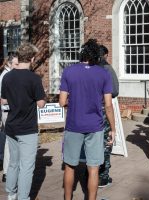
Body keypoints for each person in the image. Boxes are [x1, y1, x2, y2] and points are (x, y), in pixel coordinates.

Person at [59, 39, 116, 200]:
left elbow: (62, 101)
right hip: (95, 126)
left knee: (70, 166)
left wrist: (75, 100)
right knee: (93, 168)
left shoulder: (68, 72)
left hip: (73, 125)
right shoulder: (104, 73)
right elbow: (108, 105)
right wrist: (113, 128)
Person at [2, 43, 46, 200]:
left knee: (13, 163)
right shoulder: (34, 79)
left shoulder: (7, 77)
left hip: (12, 126)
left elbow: (3, 100)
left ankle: (11, 194)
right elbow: (41, 104)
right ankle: (23, 197)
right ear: (32, 58)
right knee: (27, 166)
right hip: (27, 128)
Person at [98, 44, 119, 188]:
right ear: (105, 55)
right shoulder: (107, 69)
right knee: (106, 144)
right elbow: (115, 91)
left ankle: (90, 174)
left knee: (91, 143)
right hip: (103, 111)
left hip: (86, 113)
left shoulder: (86, 69)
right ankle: (103, 176)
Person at [0, 53, 18, 183]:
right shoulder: (6, 76)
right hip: (8, 111)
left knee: (9, 141)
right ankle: (7, 171)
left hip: (8, 111)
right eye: (16, 64)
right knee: (9, 141)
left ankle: (8, 171)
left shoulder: (5, 74)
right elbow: (4, 99)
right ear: (10, 63)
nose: (18, 67)